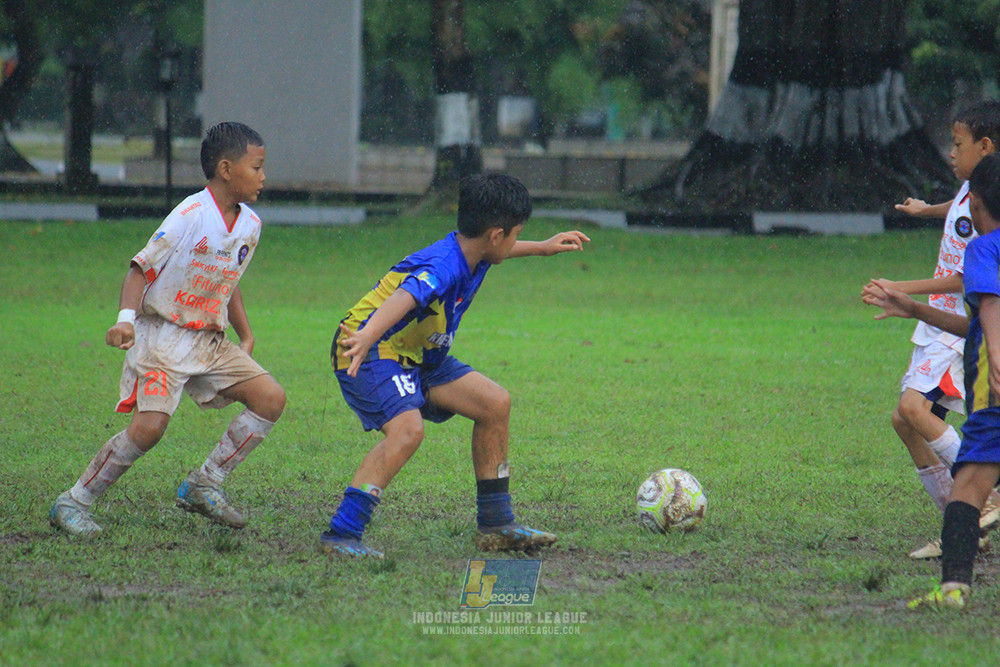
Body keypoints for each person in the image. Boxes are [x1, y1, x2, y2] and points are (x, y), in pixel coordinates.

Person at [320, 172, 590, 558]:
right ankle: (341, 533)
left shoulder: (475, 248)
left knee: (494, 403)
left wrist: (542, 248)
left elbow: (502, 250)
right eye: (516, 234)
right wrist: (366, 335)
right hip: (370, 348)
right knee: (407, 432)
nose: (515, 241)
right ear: (496, 234)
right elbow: (408, 295)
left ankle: (496, 523)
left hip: (420, 355)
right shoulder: (446, 264)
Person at [50, 122, 286, 537]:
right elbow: (141, 267)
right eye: (257, 166)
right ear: (227, 169)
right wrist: (125, 320)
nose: (264, 176)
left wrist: (245, 334)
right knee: (150, 427)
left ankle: (205, 482)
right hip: (161, 338)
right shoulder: (190, 214)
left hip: (208, 341)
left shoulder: (250, 224)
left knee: (270, 398)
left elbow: (228, 281)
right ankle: (74, 501)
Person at [864, 101, 1000, 559]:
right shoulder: (970, 191)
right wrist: (928, 211)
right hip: (936, 325)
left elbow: (970, 277)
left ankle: (983, 497)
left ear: (986, 147)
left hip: (951, 326)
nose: (950, 153)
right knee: (904, 421)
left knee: (912, 409)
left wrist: (904, 290)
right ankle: (961, 524)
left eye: (957, 145)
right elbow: (957, 210)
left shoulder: (984, 208)